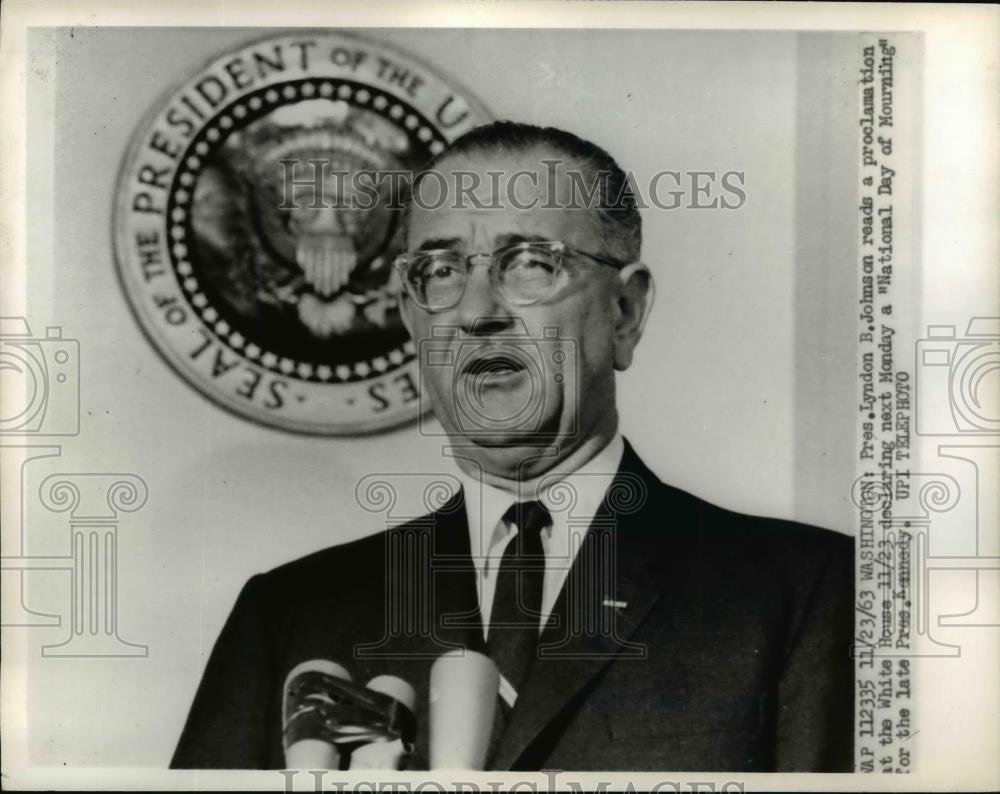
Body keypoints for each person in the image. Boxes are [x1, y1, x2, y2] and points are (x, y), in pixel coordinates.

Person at [171, 121, 854, 772]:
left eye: (529, 264)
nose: (476, 312)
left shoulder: (805, 595)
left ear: (625, 312)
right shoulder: (289, 615)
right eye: (439, 272)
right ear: (411, 317)